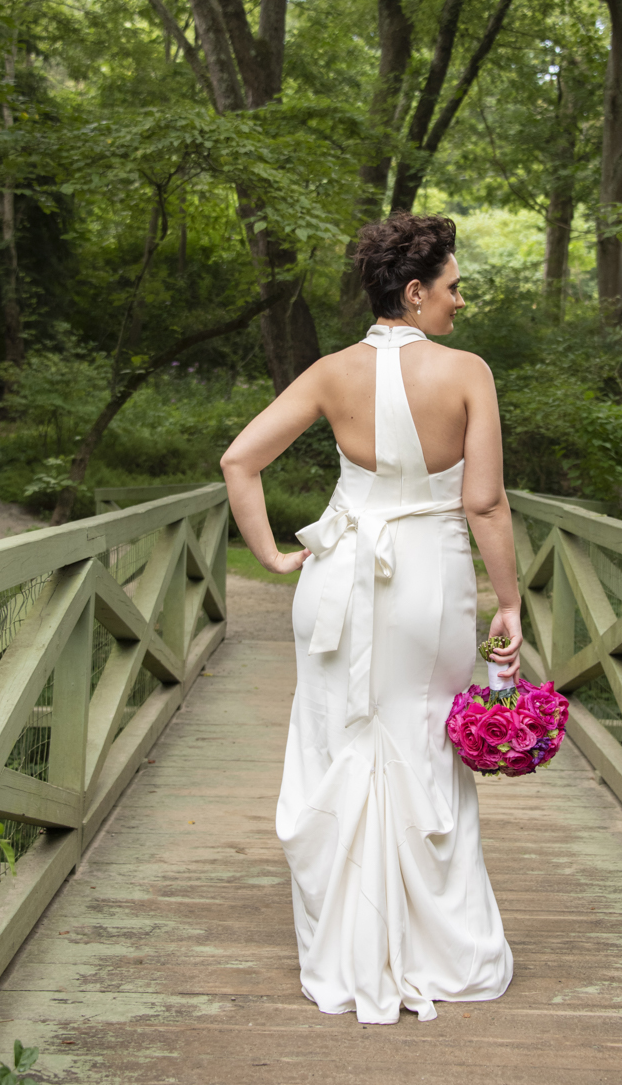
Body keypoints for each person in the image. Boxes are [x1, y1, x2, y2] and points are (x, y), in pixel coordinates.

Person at [220, 212, 522, 1025]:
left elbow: (238, 460)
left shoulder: (329, 372)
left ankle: (348, 951)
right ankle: (443, 950)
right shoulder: (467, 373)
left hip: (342, 579)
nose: (462, 302)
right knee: (425, 750)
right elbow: (485, 502)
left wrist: (276, 558)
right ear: (416, 291)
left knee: (341, 743)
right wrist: (511, 603)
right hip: (427, 581)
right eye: (454, 288)